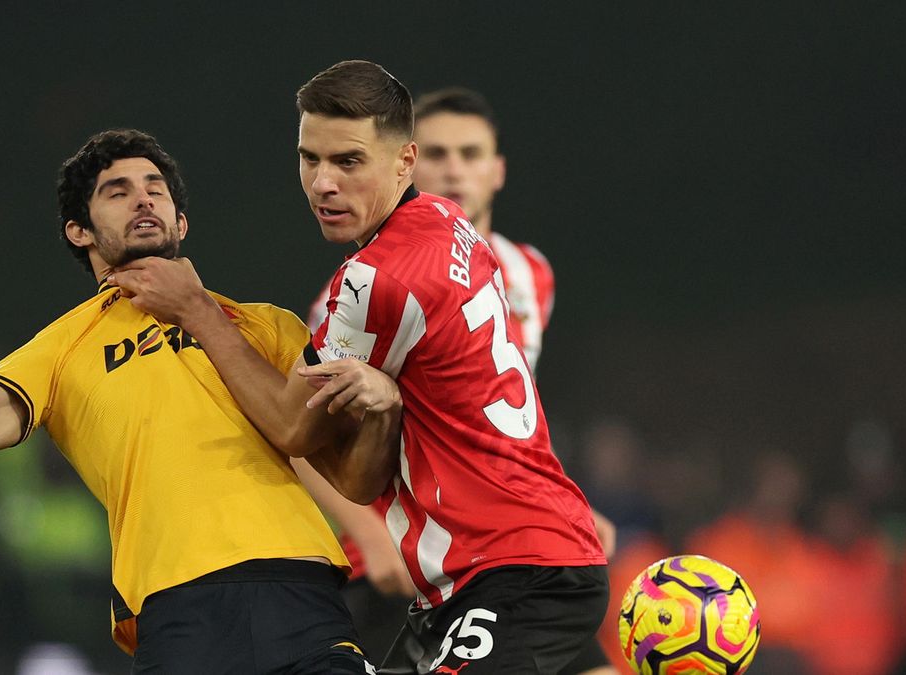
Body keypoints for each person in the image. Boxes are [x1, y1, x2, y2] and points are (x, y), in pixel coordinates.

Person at [0, 128, 395, 674]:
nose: (143, 197)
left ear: (180, 221)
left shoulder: (270, 326)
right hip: (182, 609)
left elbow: (354, 476)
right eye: (116, 191)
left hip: (306, 594)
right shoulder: (62, 350)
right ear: (80, 230)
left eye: (155, 187)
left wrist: (385, 410)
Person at [111, 61, 608, 674]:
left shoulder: (375, 280)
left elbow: (293, 430)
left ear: (405, 162)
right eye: (308, 158)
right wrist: (384, 409)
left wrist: (197, 311)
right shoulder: (447, 222)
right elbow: (362, 479)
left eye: (348, 162)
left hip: (516, 572)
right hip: (473, 581)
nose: (322, 183)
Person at [301, 86, 618, 674]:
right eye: (439, 154)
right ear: (409, 162)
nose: (453, 171)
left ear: (498, 171)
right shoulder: (368, 290)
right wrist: (369, 536)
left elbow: (497, 412)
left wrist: (560, 497)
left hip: (505, 552)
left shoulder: (529, 273)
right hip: (407, 558)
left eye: (470, 154)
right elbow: (303, 431)